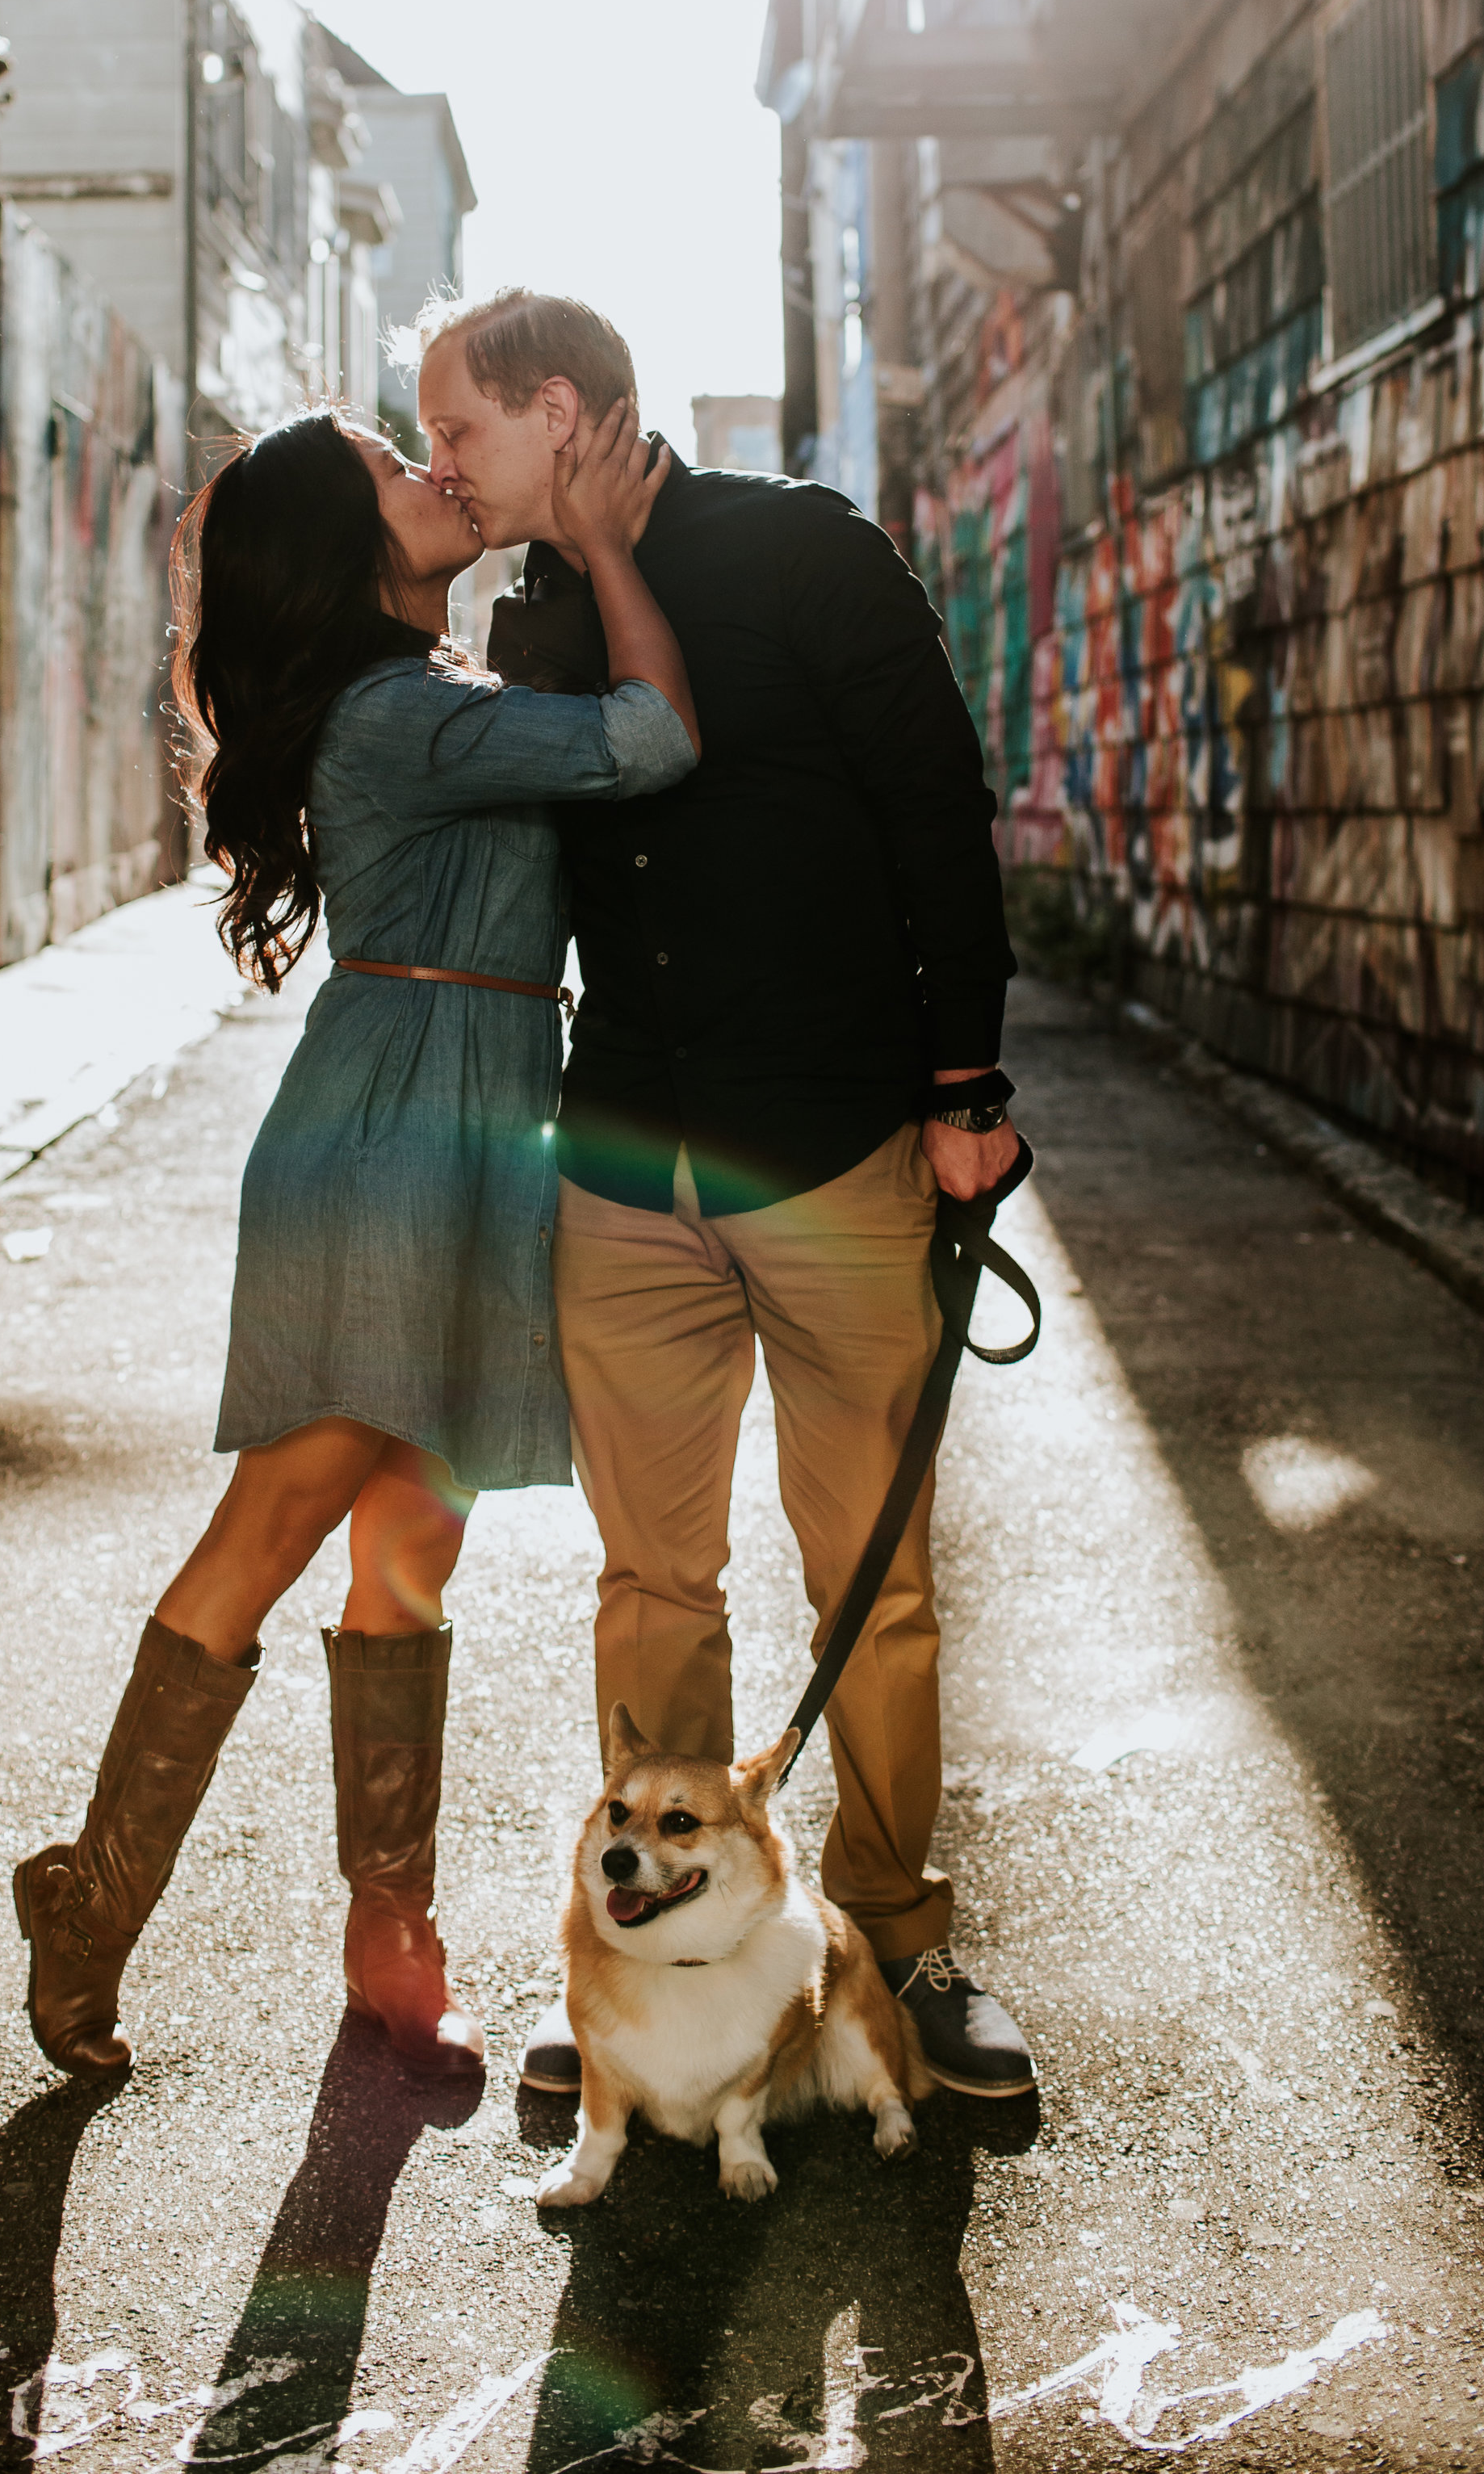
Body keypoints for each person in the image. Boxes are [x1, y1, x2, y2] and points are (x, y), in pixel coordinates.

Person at [12, 402, 698, 2085]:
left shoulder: (432, 690)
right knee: (280, 1517)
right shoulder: (401, 711)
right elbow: (652, 742)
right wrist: (603, 539)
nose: (437, 472)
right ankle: (90, 1909)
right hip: (387, 1128)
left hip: (468, 1120)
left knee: (410, 1544)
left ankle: (392, 1936)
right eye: (402, 468)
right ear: (348, 546)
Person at [417, 287, 1038, 2103]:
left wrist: (960, 1086)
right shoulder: (528, 619)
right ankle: (664, 1951)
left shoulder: (800, 551)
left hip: (832, 1137)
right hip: (621, 1150)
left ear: (559, 408)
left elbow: (935, 807)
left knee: (878, 1580)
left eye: (459, 430)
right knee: (648, 1579)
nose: (446, 466)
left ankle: (899, 1946)